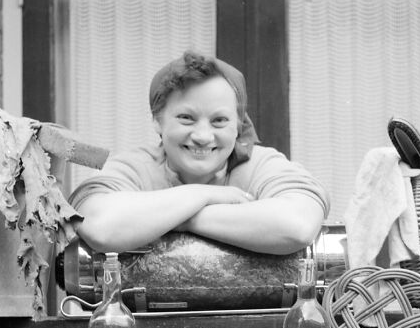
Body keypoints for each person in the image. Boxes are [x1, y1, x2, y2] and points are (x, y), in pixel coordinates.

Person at [69, 50, 329, 255]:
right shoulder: (134, 167)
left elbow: (297, 227)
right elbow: (100, 227)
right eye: (186, 118)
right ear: (157, 121)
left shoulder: (263, 166)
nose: (203, 136)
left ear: (238, 126)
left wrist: (178, 219)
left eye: (219, 121)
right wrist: (207, 194)